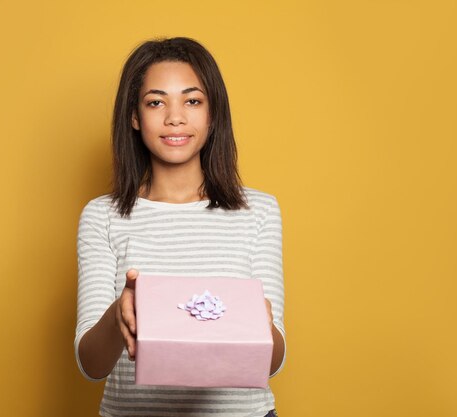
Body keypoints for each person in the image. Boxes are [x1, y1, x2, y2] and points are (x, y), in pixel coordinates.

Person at [75, 37, 286, 417]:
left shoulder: (259, 210)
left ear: (212, 114)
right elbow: (91, 365)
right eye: (156, 102)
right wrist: (118, 314)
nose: (175, 117)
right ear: (135, 117)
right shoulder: (101, 215)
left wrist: (260, 326)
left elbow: (273, 362)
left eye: (192, 101)